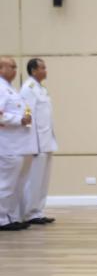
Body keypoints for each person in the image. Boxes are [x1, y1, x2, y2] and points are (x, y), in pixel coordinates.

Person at [0, 57, 37, 231]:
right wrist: (18, 119)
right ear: (1, 69)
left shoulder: (11, 89)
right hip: (8, 146)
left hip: (21, 145)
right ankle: (1, 218)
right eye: (11, 67)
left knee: (18, 185)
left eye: (15, 67)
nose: (15, 70)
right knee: (6, 184)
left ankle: (11, 217)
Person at [20, 58, 58, 225]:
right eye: (42, 68)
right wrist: (32, 145)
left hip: (46, 141)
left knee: (43, 181)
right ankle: (29, 213)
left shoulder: (41, 89)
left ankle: (38, 211)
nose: (45, 70)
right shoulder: (28, 89)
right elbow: (29, 117)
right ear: (34, 70)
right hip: (37, 143)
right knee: (33, 180)